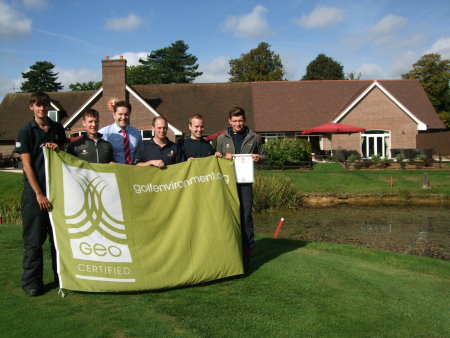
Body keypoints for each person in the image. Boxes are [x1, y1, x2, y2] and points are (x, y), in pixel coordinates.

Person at [15, 91, 67, 296]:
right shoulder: (26, 131)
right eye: (38, 105)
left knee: (58, 239)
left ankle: (61, 277)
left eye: (45, 106)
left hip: (56, 191)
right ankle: (31, 283)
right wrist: (38, 194)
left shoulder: (57, 128)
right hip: (35, 194)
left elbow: (64, 156)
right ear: (32, 107)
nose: (42, 109)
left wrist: (59, 148)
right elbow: (27, 166)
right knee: (34, 241)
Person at [215, 106, 263, 270]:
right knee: (228, 216)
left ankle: (247, 252)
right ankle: (229, 250)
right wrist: (220, 156)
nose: (238, 124)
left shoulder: (254, 138)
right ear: (230, 121)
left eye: (240, 120)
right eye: (235, 121)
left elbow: (263, 156)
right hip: (227, 184)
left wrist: (259, 158)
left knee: (246, 217)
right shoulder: (222, 139)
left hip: (245, 184)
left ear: (245, 120)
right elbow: (216, 159)